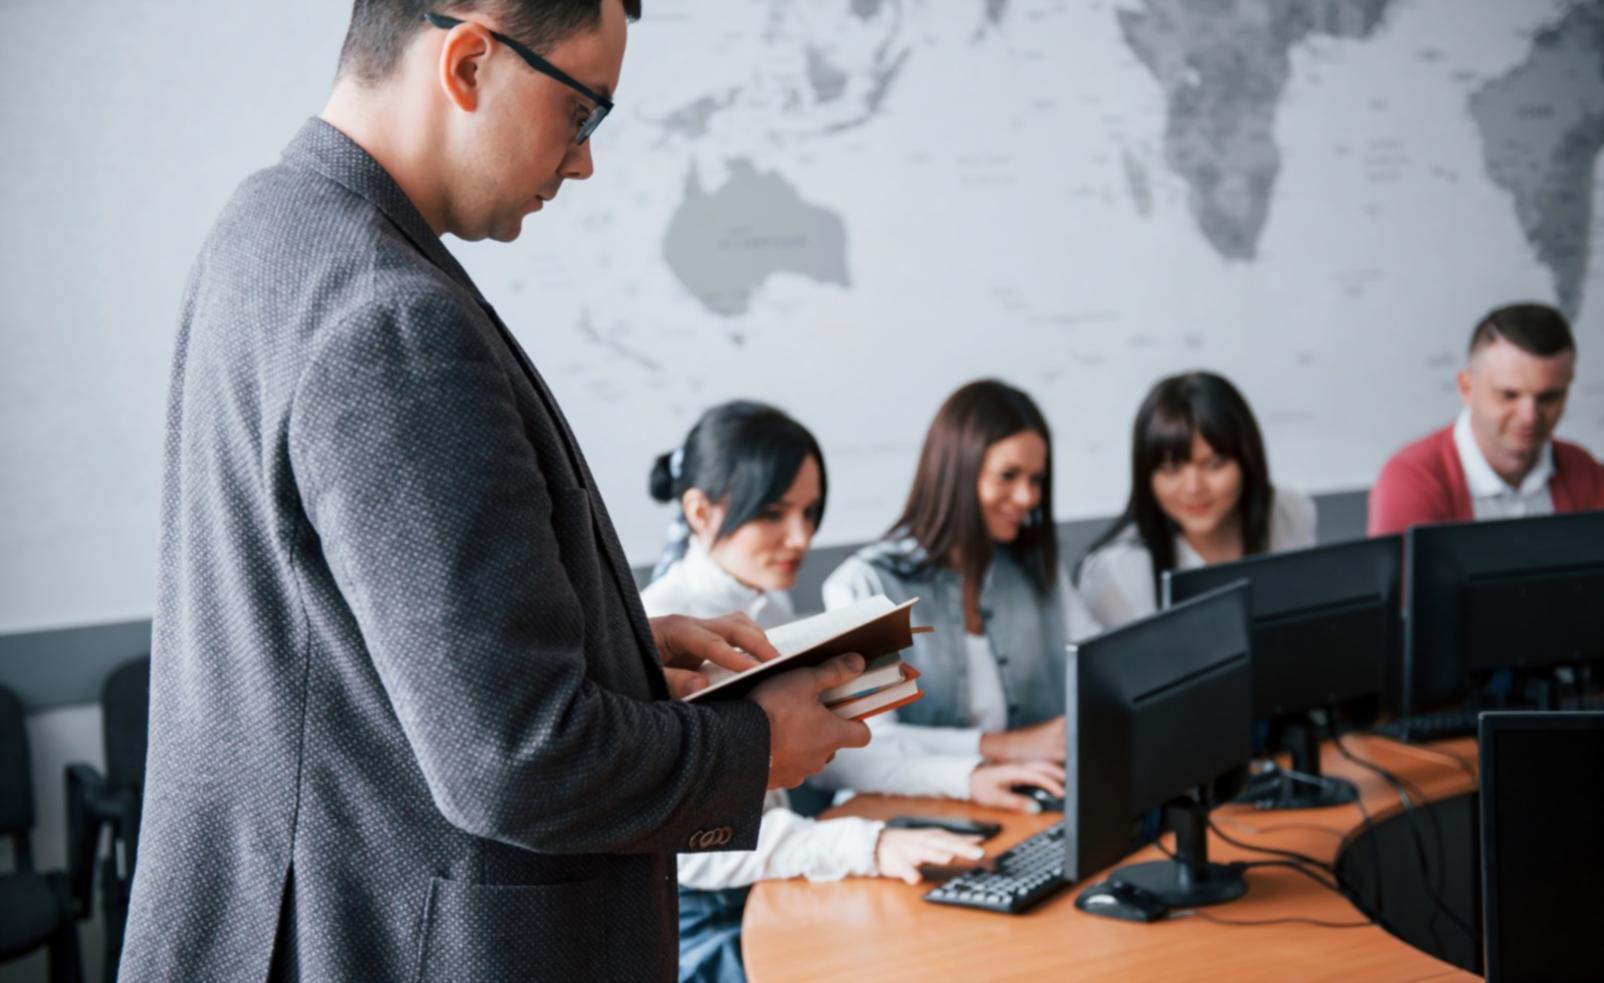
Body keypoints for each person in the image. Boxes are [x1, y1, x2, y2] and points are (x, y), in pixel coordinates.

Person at [120, 4, 870, 980]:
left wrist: (614, 641)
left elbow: (335, 642)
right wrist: (750, 745)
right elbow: (513, 761)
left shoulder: (266, 228)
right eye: (583, 113)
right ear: (470, 61)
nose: (584, 161)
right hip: (398, 936)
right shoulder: (389, 316)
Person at [641, 401, 984, 983]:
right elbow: (695, 846)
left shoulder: (766, 600)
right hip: (709, 923)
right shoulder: (661, 626)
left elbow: (823, 747)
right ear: (700, 511)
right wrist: (868, 847)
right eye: (774, 513)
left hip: (782, 875)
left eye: (810, 511)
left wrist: (969, 778)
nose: (800, 537)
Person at [823, 380, 1100, 813]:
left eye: (1036, 479)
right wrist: (1003, 747)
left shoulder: (1038, 568)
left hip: (1026, 806)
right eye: (1008, 476)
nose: (1027, 497)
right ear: (958, 471)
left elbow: (1099, 665)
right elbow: (869, 739)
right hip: (903, 815)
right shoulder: (864, 585)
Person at [1076, 371, 1317, 629]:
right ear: (1146, 474)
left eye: (1214, 464)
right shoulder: (1117, 570)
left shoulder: (1287, 511)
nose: (1193, 488)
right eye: (1171, 469)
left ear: (1247, 460)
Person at [1368, 302, 1604, 535]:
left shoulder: (1585, 471)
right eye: (1509, 395)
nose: (1529, 417)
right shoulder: (1412, 479)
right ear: (1466, 388)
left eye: (1548, 397)